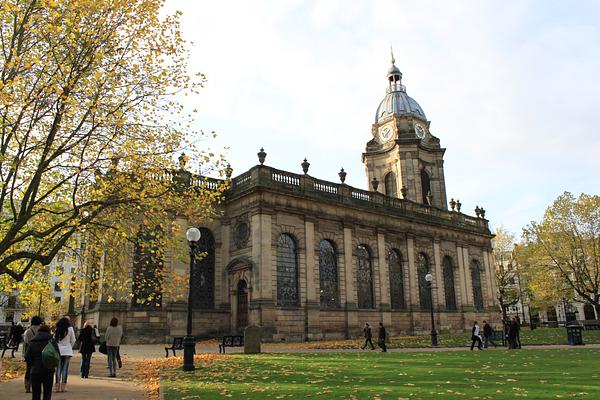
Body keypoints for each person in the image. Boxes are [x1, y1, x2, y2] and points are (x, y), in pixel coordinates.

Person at [25, 324, 56, 400]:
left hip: (35, 370)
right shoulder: (52, 341)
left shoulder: (33, 342)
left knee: (35, 394)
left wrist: (32, 365)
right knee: (47, 394)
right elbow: (57, 354)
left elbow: (27, 357)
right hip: (48, 370)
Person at [54, 317, 76, 392]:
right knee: (65, 369)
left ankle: (57, 386)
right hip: (67, 351)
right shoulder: (70, 329)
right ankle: (63, 386)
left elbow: (55, 340)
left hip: (59, 351)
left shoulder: (57, 329)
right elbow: (73, 340)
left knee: (58, 369)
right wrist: (70, 347)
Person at [23, 316, 43, 393]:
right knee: (39, 370)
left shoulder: (28, 331)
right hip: (39, 353)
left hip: (30, 352)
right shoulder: (41, 330)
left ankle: (27, 386)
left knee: (28, 369)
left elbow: (26, 343)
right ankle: (37, 386)